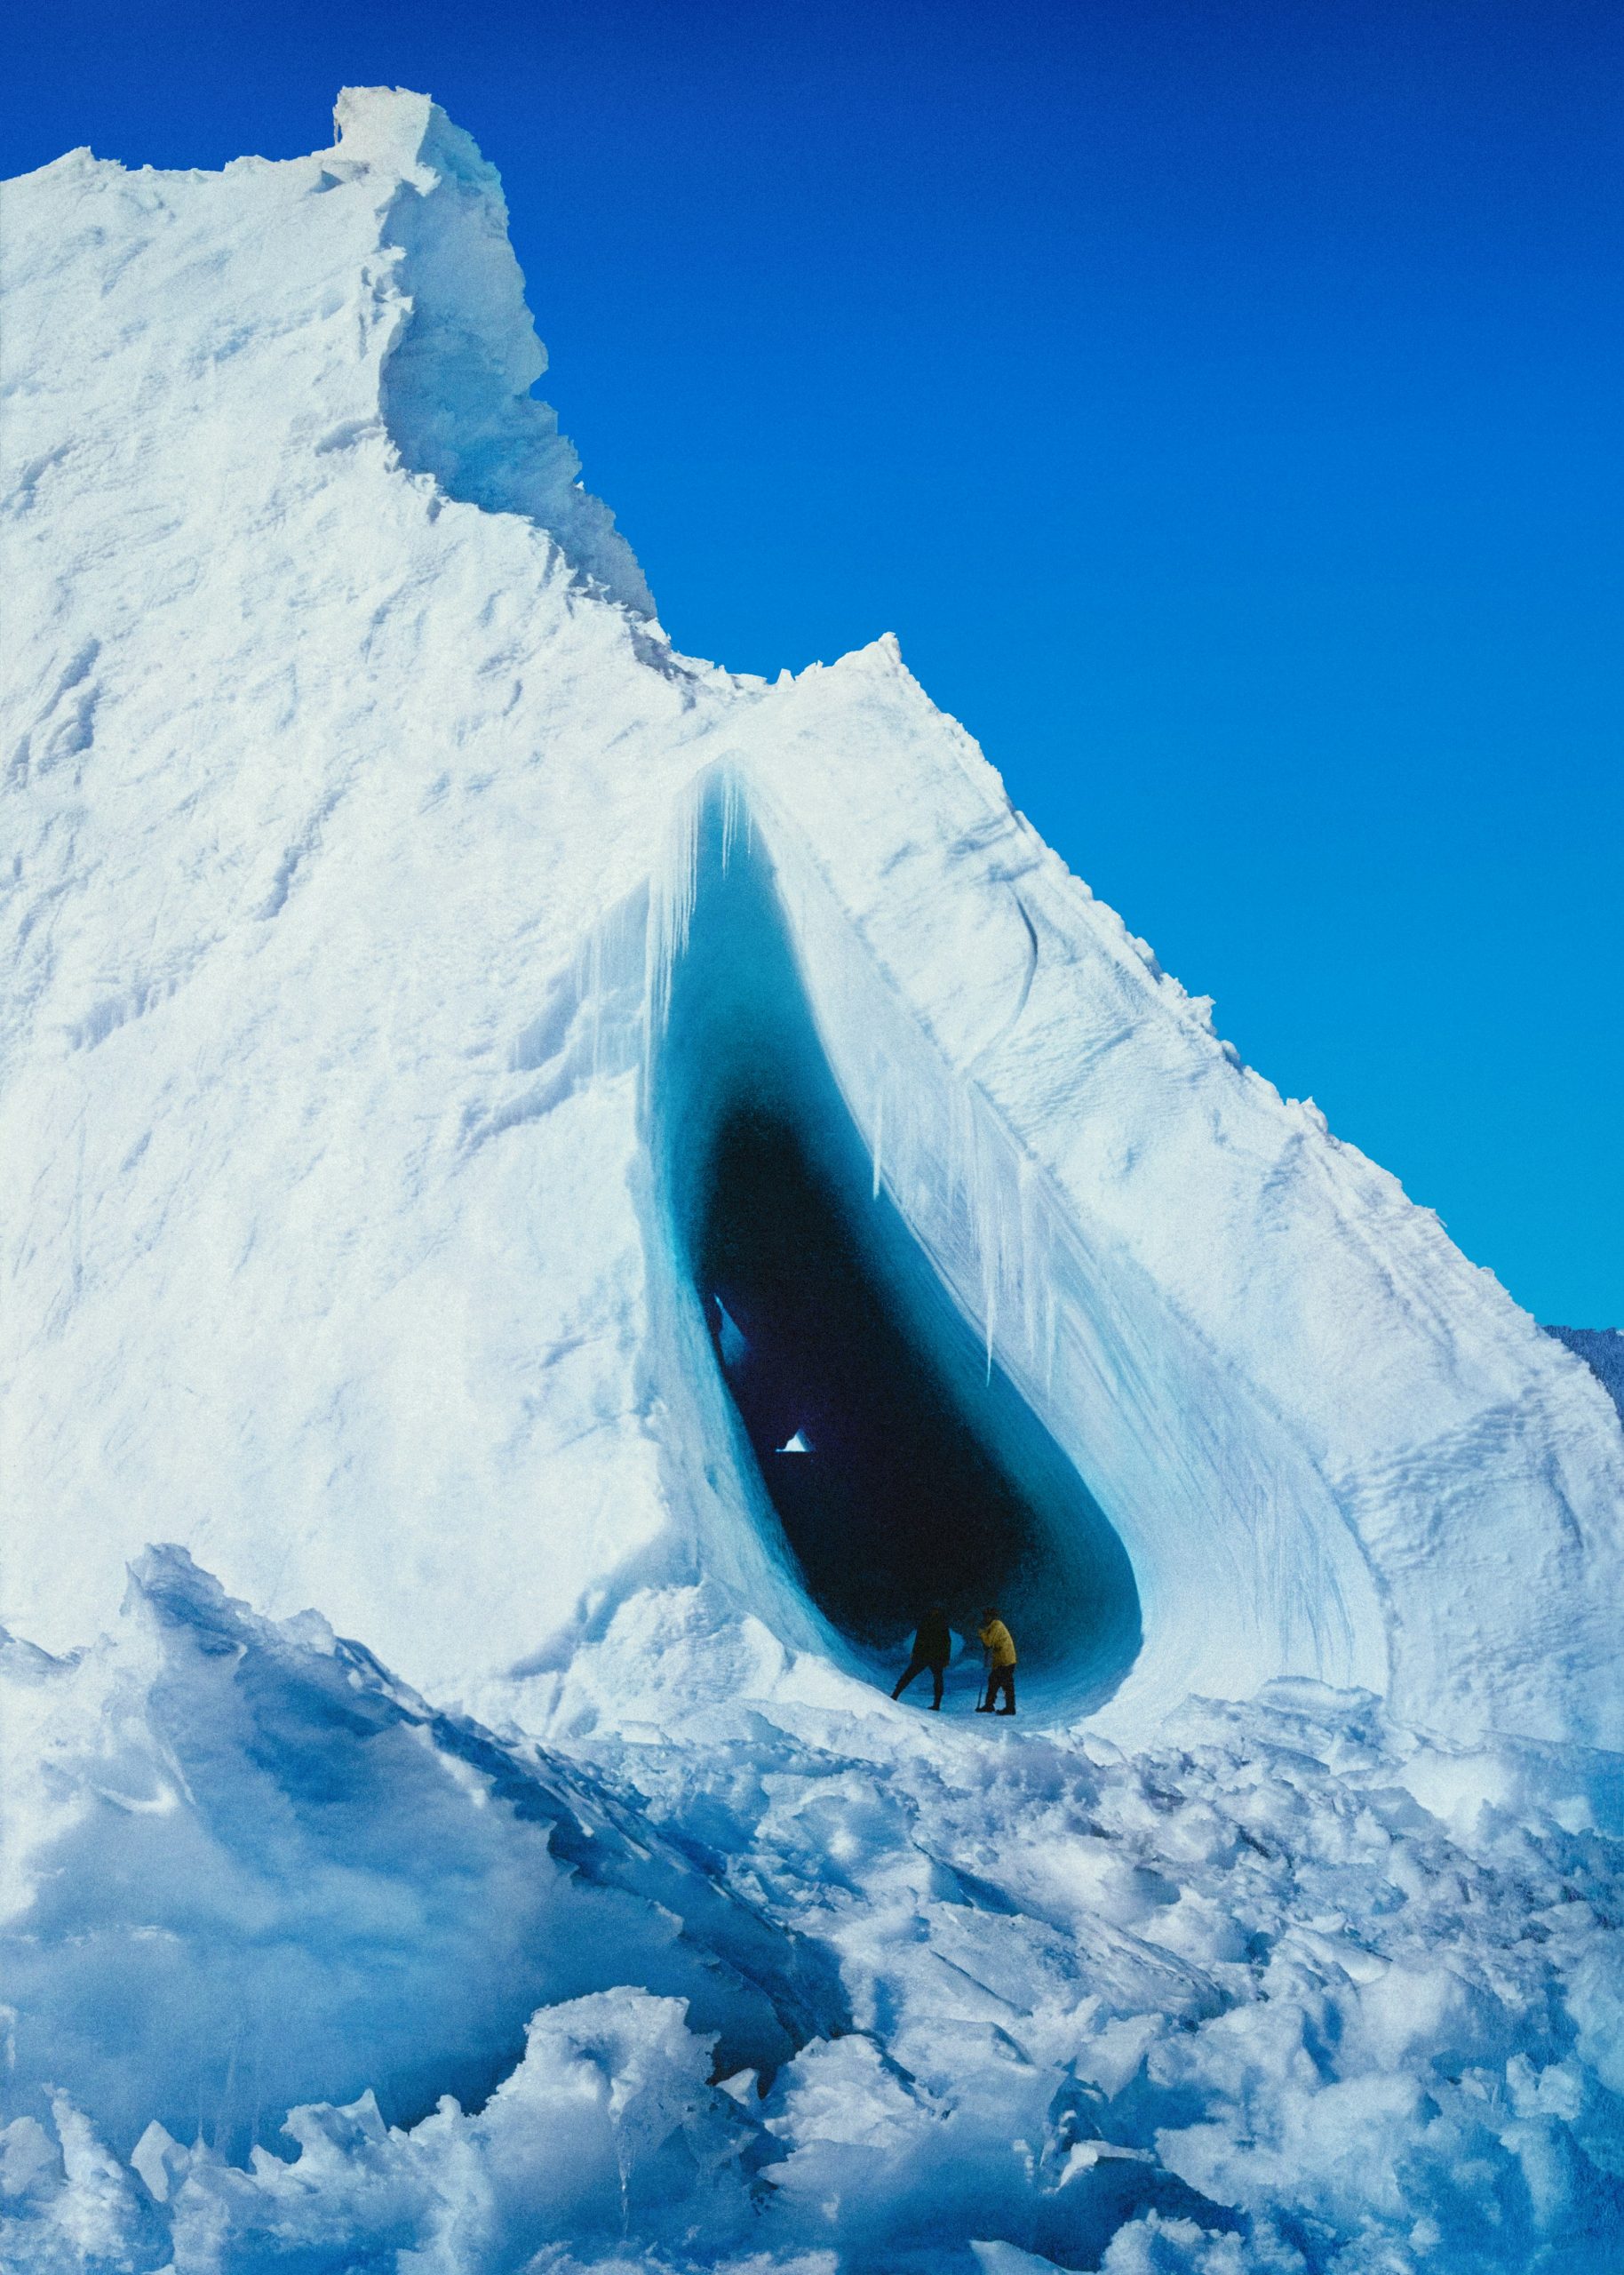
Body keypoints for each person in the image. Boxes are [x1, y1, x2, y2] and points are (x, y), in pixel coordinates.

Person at [892, 1607, 952, 1710]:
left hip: (927, 1655)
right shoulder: (939, 1623)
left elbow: (922, 1638)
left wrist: (945, 1658)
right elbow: (945, 1642)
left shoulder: (931, 1622)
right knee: (934, 1679)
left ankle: (895, 1695)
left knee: (910, 1675)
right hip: (931, 1655)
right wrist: (945, 1658)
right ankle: (936, 1704)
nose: (934, 1611)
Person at [975, 1608, 1017, 1715]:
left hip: (1006, 1659)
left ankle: (1009, 1708)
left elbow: (989, 1642)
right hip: (1002, 1659)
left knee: (1006, 1684)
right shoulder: (993, 1626)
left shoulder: (996, 1625)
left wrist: (981, 1632)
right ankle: (990, 1705)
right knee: (994, 1680)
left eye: (987, 1616)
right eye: (985, 1616)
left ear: (992, 1617)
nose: (985, 1618)